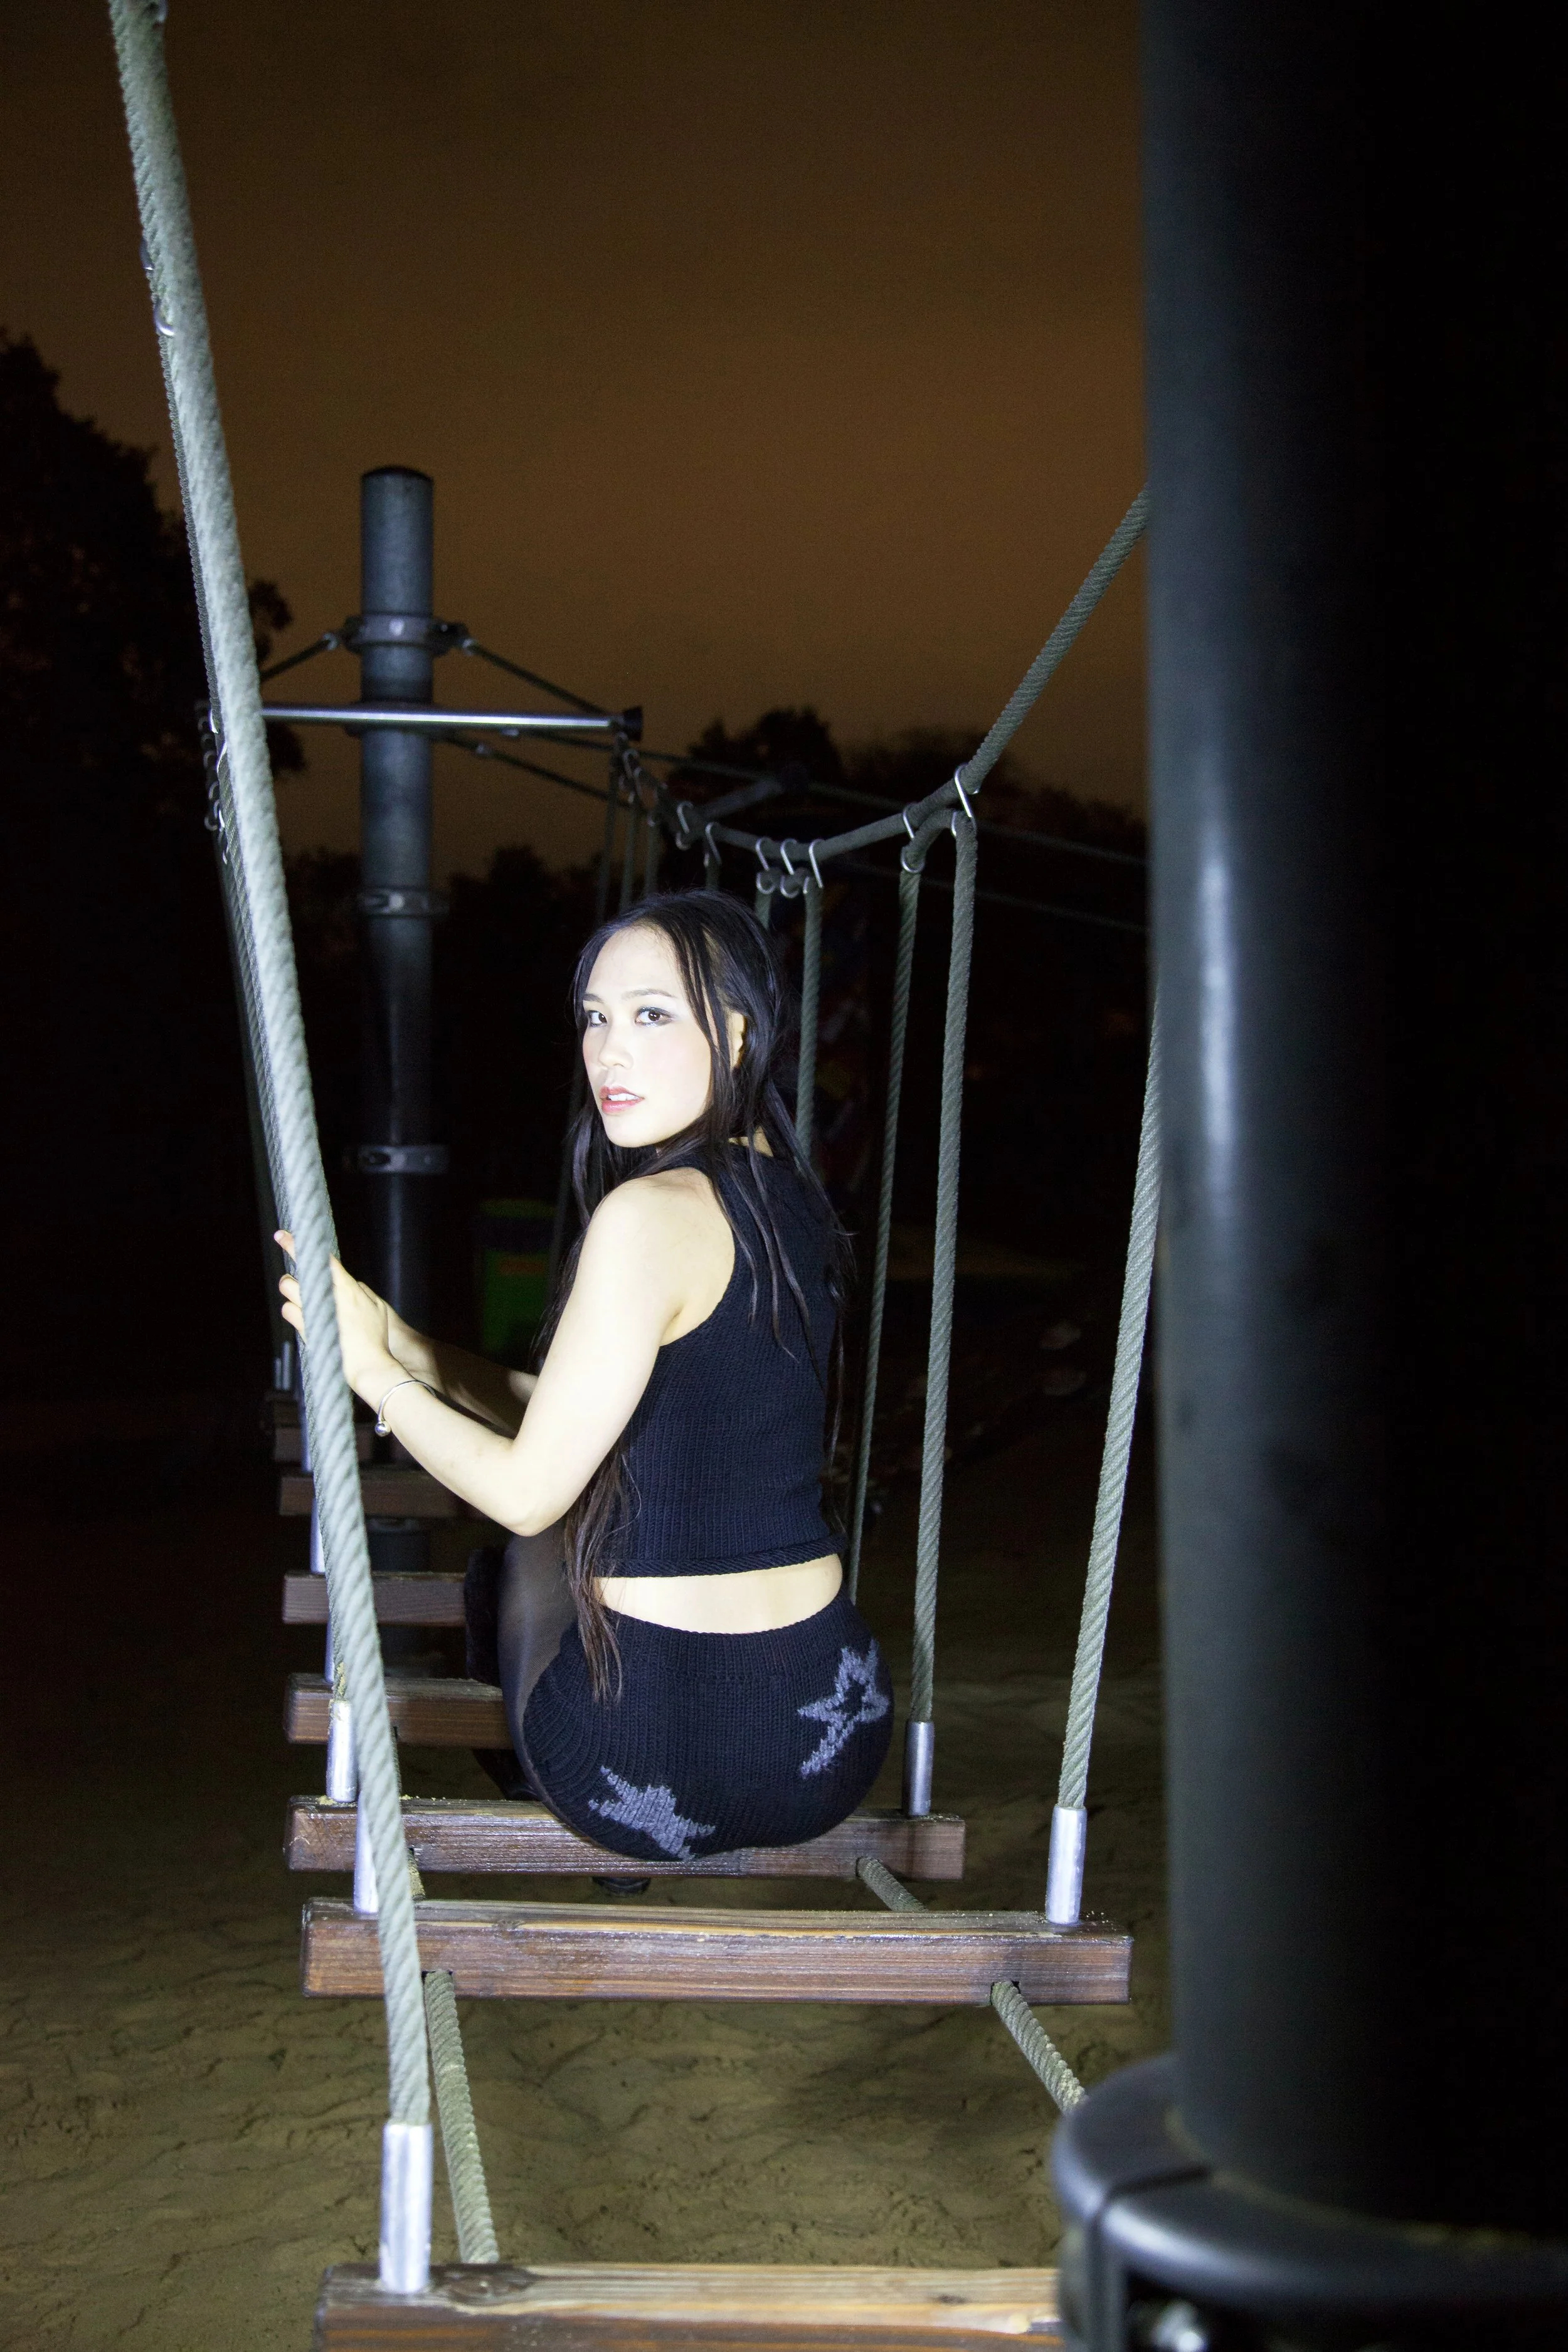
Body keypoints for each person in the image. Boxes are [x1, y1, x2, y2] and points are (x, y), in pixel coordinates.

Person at [277, 889, 893, 1863]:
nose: (610, 1051)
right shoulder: (800, 1208)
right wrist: (411, 1349)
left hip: (647, 1762)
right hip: (830, 1741)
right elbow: (596, 1414)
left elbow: (530, 1489)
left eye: (653, 1014)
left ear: (738, 1032)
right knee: (579, 1494)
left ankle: (533, 1770)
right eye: (596, 1018)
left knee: (536, 1545)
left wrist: (371, 1378)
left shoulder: (647, 1215)